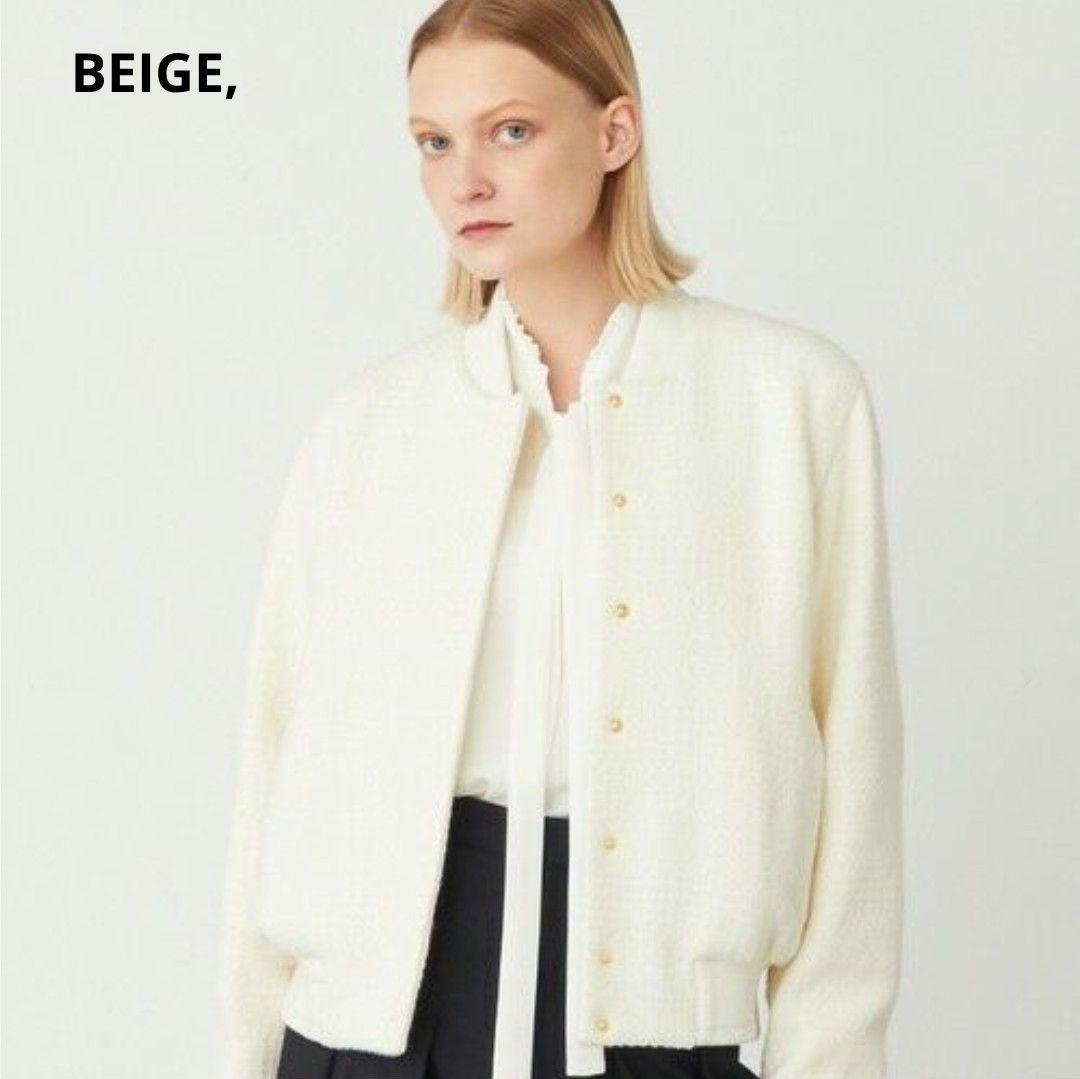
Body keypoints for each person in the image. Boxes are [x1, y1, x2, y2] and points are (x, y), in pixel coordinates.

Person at [216, 2, 905, 1078]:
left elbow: (854, 781)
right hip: (373, 1026)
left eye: (511, 131)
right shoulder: (369, 427)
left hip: (654, 1031)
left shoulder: (789, 403)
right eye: (433, 142)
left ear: (614, 133)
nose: (465, 180)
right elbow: (275, 760)